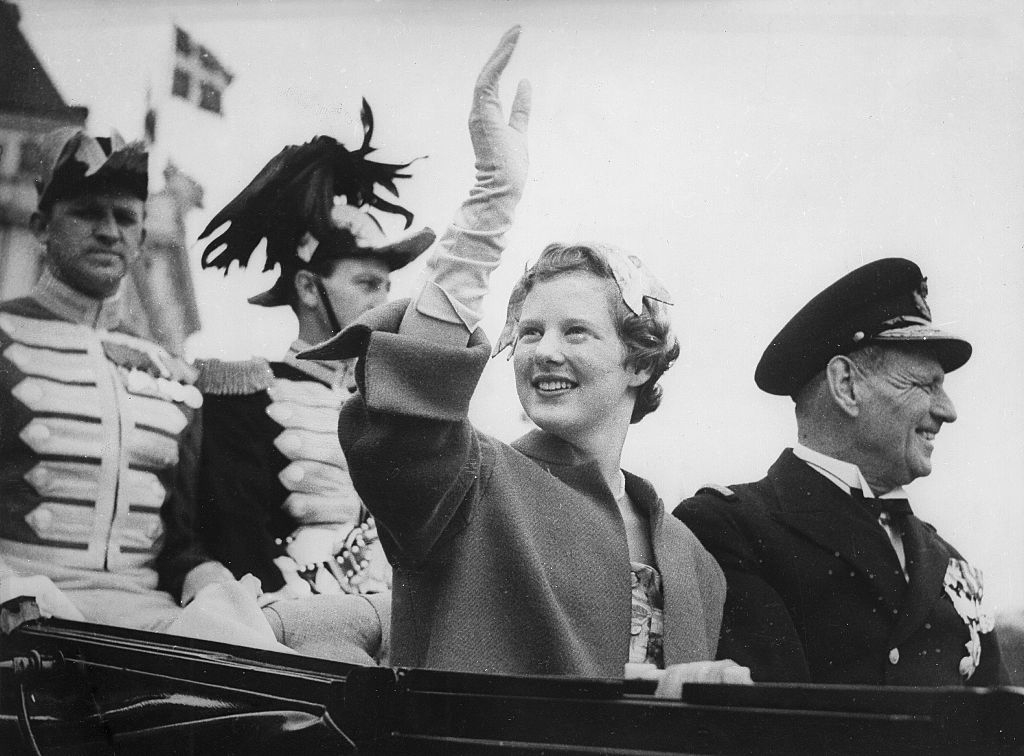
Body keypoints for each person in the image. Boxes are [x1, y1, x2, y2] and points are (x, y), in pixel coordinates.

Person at [300, 27, 749, 695]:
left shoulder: (695, 560)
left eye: (577, 332)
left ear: (640, 364)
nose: (543, 351)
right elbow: (410, 407)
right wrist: (491, 201)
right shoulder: (466, 485)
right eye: (529, 331)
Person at [675, 258, 1008, 686]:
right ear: (846, 385)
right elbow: (772, 716)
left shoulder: (949, 561)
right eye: (925, 386)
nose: (948, 410)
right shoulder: (729, 528)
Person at [0, 127, 269, 640]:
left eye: (124, 218)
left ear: (142, 238)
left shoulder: (170, 374)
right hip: (19, 613)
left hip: (143, 617)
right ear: (41, 227)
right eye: (86, 213)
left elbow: (179, 543)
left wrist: (213, 586)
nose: (108, 231)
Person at [193, 106, 434, 663]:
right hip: (295, 625)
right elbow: (238, 541)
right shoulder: (245, 395)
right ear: (308, 288)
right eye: (367, 283)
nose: (385, 302)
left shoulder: (388, 408)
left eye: (388, 286)